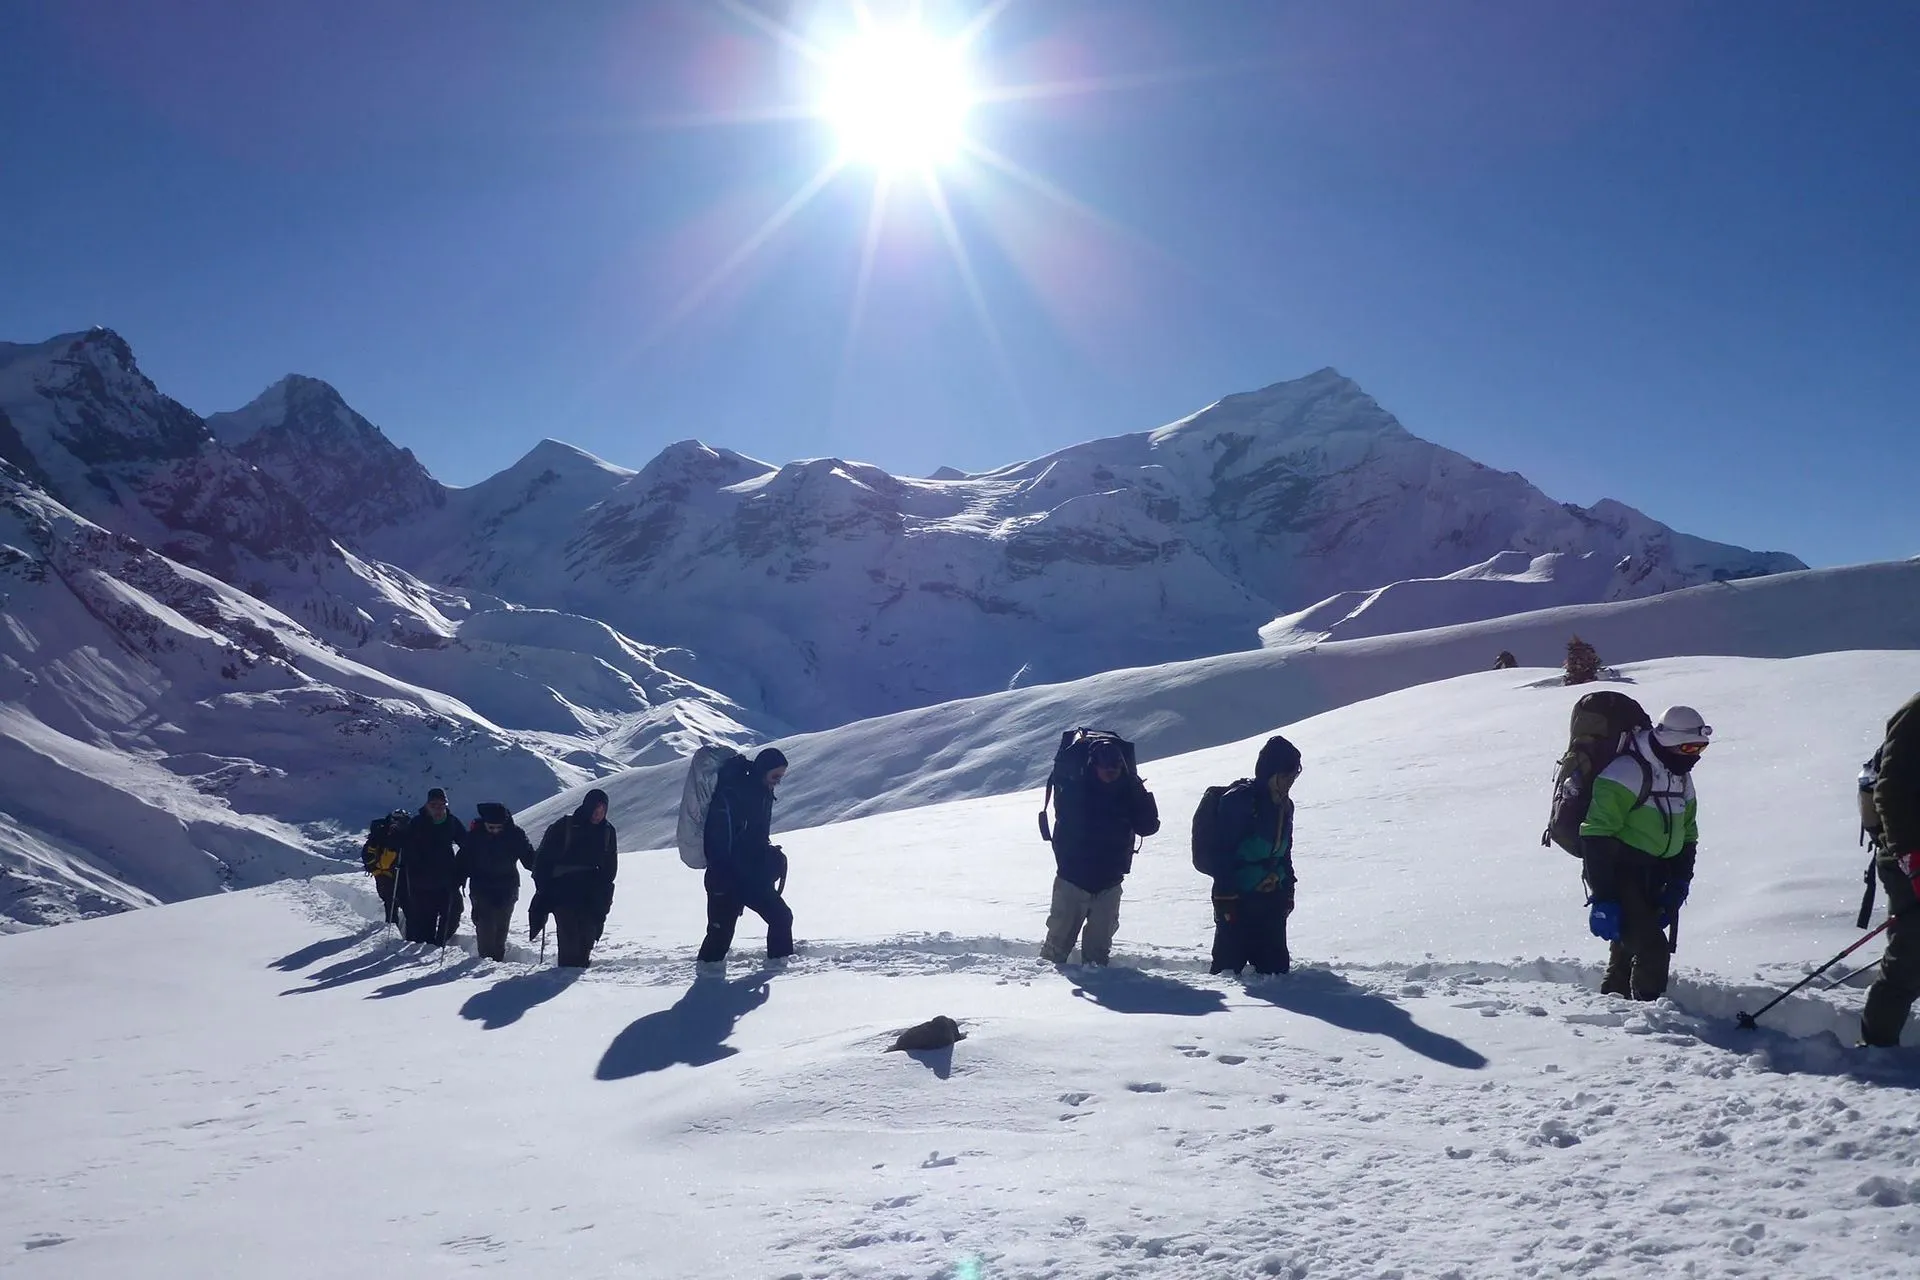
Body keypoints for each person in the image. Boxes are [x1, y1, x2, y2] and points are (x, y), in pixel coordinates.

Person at [1580, 705, 1707, 1000]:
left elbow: (1688, 834)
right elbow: (1595, 834)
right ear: (1667, 741)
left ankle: (1615, 1004)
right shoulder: (1625, 772)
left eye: (1700, 748)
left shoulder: (1679, 776)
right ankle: (1651, 1022)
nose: (1694, 756)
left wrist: (1680, 881)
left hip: (1657, 874)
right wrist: (1604, 897)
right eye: (1688, 747)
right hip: (1621, 874)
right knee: (1653, 949)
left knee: (1628, 947)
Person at [1040, 738, 1160, 965]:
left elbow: (1148, 826)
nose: (1111, 773)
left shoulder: (1128, 792)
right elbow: (1066, 822)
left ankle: (1097, 986)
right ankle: (1044, 993)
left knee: (1097, 954)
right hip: (1073, 879)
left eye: (1115, 768)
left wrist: (1139, 793)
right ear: (1094, 766)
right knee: (1056, 949)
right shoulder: (1076, 790)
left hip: (1109, 881)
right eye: (1106, 768)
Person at [1209, 735, 1303, 977]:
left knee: (1276, 973)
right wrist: (1226, 896)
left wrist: (1288, 888)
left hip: (1272, 899)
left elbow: (1285, 853)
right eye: (1286, 775)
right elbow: (1222, 852)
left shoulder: (1285, 806)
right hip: (1238, 900)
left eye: (1294, 775)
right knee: (1228, 972)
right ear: (1270, 773)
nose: (1290, 781)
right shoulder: (1240, 801)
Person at [697, 748, 795, 964]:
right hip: (726, 877)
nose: (777, 782)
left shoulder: (763, 793)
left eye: (781, 777)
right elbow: (719, 839)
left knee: (781, 917)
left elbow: (755, 837)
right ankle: (706, 983)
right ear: (763, 770)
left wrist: (769, 855)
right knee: (719, 938)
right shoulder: (732, 795)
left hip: (752, 875)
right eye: (775, 776)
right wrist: (722, 875)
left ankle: (779, 969)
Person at [1861, 692, 1920, 1047]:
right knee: (1912, 952)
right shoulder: (1915, 715)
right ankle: (1877, 1050)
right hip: (1908, 853)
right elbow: (1891, 789)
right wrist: (1912, 861)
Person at [532, 788, 618, 968]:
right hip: (563, 893)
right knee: (569, 939)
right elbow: (543, 860)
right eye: (595, 809)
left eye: (602, 811)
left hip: (591, 895)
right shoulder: (565, 826)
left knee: (587, 939)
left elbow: (609, 869)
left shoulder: (607, 832)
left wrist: (604, 897)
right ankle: (565, 978)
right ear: (587, 807)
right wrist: (544, 889)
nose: (598, 814)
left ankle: (577, 981)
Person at [457, 802, 535, 962]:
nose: (495, 831)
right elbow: (463, 860)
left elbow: (529, 859)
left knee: (501, 927)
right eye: (491, 827)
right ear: (484, 822)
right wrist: (456, 877)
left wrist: (543, 868)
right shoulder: (475, 835)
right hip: (481, 888)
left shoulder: (515, 835)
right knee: (485, 926)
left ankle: (496, 961)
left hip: (507, 888)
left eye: (498, 827)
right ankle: (485, 960)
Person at [400, 787, 468, 945]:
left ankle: (439, 943)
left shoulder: (451, 822)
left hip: (447, 879)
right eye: (434, 805)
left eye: (441, 804)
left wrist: (462, 865)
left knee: (453, 913)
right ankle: (426, 949)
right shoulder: (417, 823)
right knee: (425, 921)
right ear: (427, 805)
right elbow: (406, 847)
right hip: (422, 882)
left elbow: (466, 844)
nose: (438, 808)